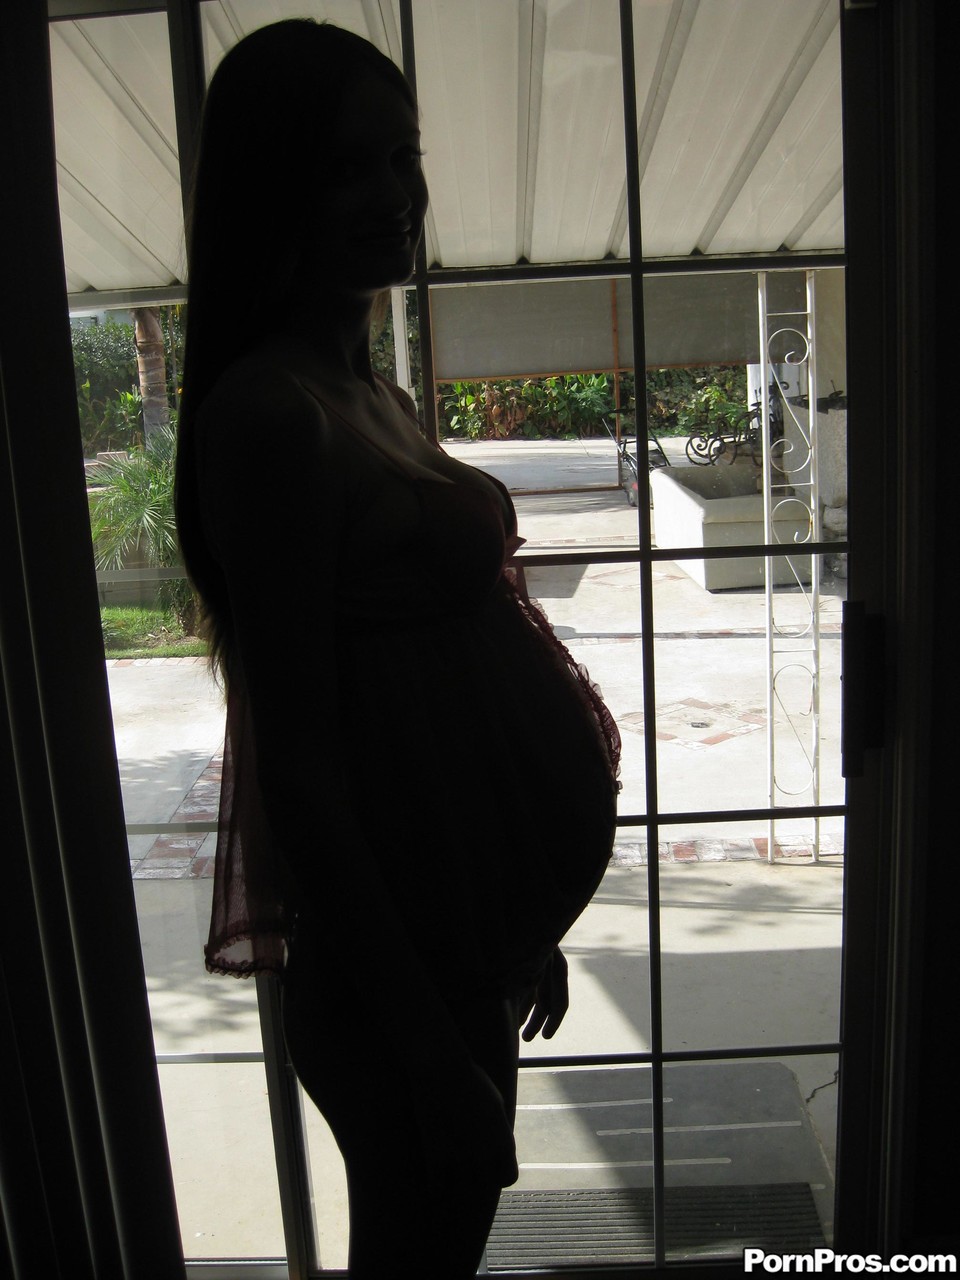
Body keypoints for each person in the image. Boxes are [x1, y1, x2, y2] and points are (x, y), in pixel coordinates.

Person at [174, 19, 620, 1277]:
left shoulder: (371, 392)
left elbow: (432, 706)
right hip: (395, 979)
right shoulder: (272, 416)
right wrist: (425, 1045)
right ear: (272, 193)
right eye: (343, 167)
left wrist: (517, 920)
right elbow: (306, 768)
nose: (393, 194)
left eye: (402, 156)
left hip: (460, 943)